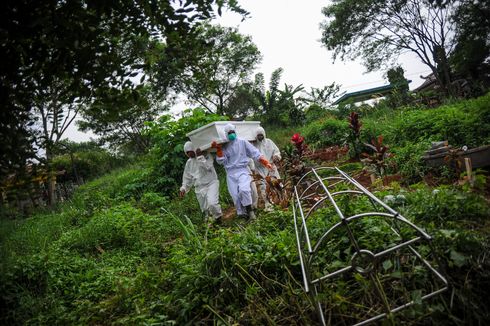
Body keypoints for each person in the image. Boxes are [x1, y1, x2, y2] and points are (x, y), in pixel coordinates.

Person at [212, 123, 273, 220]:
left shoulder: (242, 142)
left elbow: (255, 153)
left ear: (235, 131)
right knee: (235, 195)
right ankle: (242, 214)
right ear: (226, 134)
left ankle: (250, 211)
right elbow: (220, 161)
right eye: (229, 133)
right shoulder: (224, 146)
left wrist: (265, 162)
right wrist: (218, 149)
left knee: (244, 190)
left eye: (232, 132)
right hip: (230, 173)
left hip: (242, 170)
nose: (231, 134)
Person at [179, 141, 222, 223]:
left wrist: (200, 157)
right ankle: (211, 226)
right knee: (205, 209)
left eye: (190, 152)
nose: (189, 154)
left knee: (212, 203)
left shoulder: (206, 155)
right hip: (199, 188)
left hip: (211, 183)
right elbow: (187, 177)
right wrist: (183, 188)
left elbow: (208, 167)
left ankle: (218, 219)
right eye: (187, 153)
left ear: (194, 149)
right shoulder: (189, 162)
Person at [254, 126, 281, 211]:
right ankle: (268, 205)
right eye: (258, 135)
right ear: (256, 136)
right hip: (260, 169)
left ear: (264, 134)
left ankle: (281, 200)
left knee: (277, 183)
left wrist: (276, 156)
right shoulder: (253, 145)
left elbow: (277, 151)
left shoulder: (269, 142)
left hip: (271, 167)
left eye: (261, 135)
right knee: (263, 187)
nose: (260, 137)